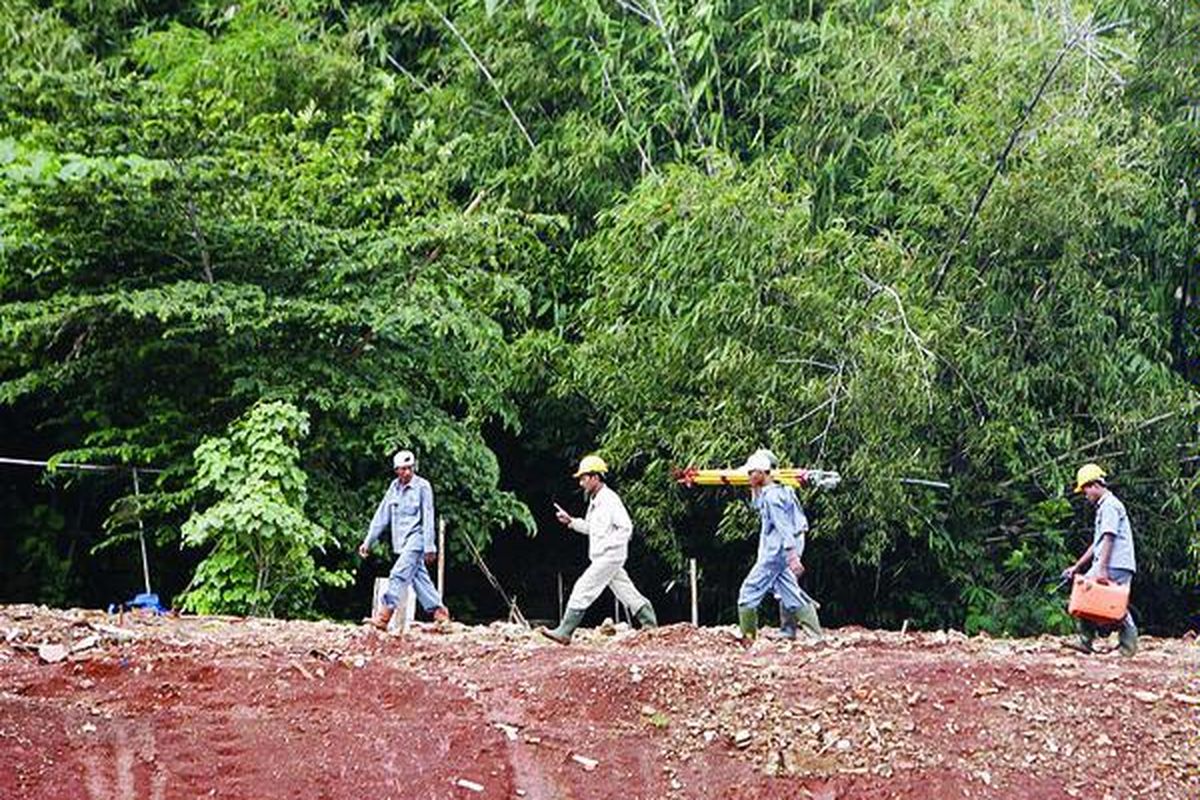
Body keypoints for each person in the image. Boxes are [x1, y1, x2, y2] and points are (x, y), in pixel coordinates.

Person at [539, 455, 658, 644]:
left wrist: (610, 546)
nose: (581, 483)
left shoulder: (610, 500)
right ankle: (650, 624)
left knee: (583, 588)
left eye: (584, 478)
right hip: (605, 556)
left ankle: (565, 631)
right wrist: (571, 522)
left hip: (609, 556)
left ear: (595, 477)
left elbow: (626, 528)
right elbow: (591, 528)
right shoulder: (595, 501)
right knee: (625, 591)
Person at [359, 450, 450, 630]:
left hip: (417, 538)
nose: (407, 472)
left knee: (398, 574)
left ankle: (383, 617)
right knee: (419, 578)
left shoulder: (423, 486)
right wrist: (368, 541)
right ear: (396, 470)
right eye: (403, 469)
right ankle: (440, 613)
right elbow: (381, 516)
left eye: (410, 468)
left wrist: (429, 546)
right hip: (401, 542)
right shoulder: (393, 488)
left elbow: (428, 516)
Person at [736, 451, 821, 643]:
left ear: (762, 472)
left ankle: (748, 638)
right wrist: (754, 488)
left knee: (748, 592)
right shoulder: (782, 489)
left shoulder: (773, 498)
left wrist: (792, 556)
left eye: (751, 473)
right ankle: (816, 636)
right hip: (781, 548)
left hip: (776, 551)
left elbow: (784, 527)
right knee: (789, 590)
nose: (748, 476)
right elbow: (758, 506)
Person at [1061, 463, 1138, 656]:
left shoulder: (1109, 506)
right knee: (1114, 601)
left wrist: (1102, 568)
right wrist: (1077, 566)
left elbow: (1109, 538)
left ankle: (1088, 640)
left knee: (1087, 591)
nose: (1085, 495)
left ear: (1095, 485)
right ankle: (1125, 646)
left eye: (1085, 490)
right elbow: (1098, 543)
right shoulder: (1106, 505)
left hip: (1114, 562)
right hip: (1117, 562)